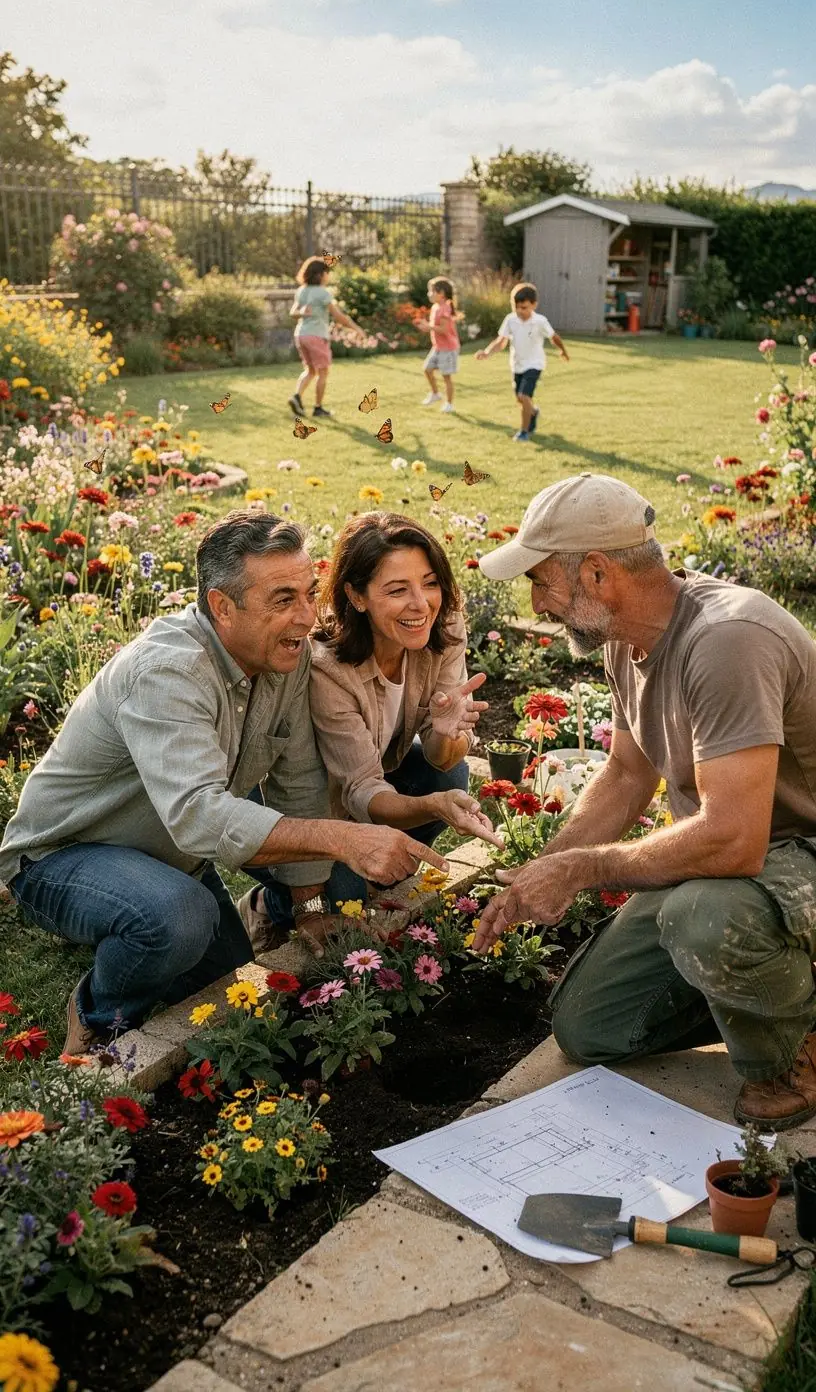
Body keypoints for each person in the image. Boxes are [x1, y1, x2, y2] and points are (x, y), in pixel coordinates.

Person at [0, 510, 447, 1053]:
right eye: (283, 600)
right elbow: (199, 813)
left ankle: (172, 922)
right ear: (221, 607)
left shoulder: (287, 656)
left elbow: (299, 781)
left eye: (309, 593)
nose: (307, 618)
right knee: (177, 918)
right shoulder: (169, 671)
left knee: (240, 989)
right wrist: (345, 837)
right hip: (65, 855)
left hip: (170, 861)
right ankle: (99, 1023)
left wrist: (310, 910)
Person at [474, 471, 816, 1132]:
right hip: (744, 865)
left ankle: (792, 1059)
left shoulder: (726, 641)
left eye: (540, 580)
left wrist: (588, 869)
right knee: (591, 1027)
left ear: (598, 574)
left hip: (794, 852)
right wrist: (541, 872)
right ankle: (775, 981)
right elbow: (628, 775)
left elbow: (733, 838)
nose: (538, 601)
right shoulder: (628, 641)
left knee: (704, 919)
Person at [306, 512, 502, 894]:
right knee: (347, 894)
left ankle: (387, 871)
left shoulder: (442, 627)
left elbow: (443, 758)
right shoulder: (328, 668)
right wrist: (433, 806)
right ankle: (272, 903)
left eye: (430, 583)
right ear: (356, 596)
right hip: (318, 808)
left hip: (377, 780)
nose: (421, 604)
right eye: (397, 590)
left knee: (449, 774)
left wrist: (446, 733)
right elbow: (362, 789)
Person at [475, 281, 568, 442]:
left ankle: (524, 431)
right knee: (520, 399)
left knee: (524, 396)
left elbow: (554, 337)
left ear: (534, 305)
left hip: (535, 364)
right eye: (516, 307)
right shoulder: (510, 320)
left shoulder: (540, 321)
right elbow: (501, 341)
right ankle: (533, 411)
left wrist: (563, 350)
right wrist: (487, 352)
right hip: (517, 365)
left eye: (524, 307)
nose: (519, 311)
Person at [288, 256, 364, 420]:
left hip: (301, 335)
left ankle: (296, 397)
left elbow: (293, 312)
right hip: (316, 336)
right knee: (323, 372)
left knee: (310, 370)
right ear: (320, 274)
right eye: (327, 273)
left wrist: (302, 313)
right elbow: (339, 317)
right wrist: (357, 329)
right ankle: (318, 408)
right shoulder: (323, 293)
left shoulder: (302, 290)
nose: (328, 276)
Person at [418, 276, 462, 414]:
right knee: (427, 369)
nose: (428, 294)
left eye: (431, 291)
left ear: (441, 293)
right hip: (437, 347)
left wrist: (428, 326)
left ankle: (449, 404)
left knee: (446, 376)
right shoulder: (436, 307)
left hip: (448, 349)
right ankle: (435, 394)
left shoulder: (445, 308)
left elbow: (443, 329)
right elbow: (436, 327)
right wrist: (428, 327)